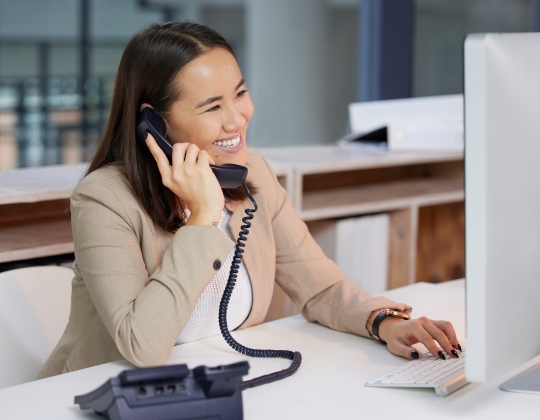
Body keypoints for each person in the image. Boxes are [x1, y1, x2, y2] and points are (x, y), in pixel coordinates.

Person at [38, 21, 460, 379]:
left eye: (239, 93)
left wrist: (383, 322)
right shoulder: (104, 199)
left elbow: (321, 288)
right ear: (154, 123)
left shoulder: (251, 173)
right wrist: (203, 219)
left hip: (212, 384)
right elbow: (142, 346)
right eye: (212, 107)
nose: (238, 118)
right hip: (105, 396)